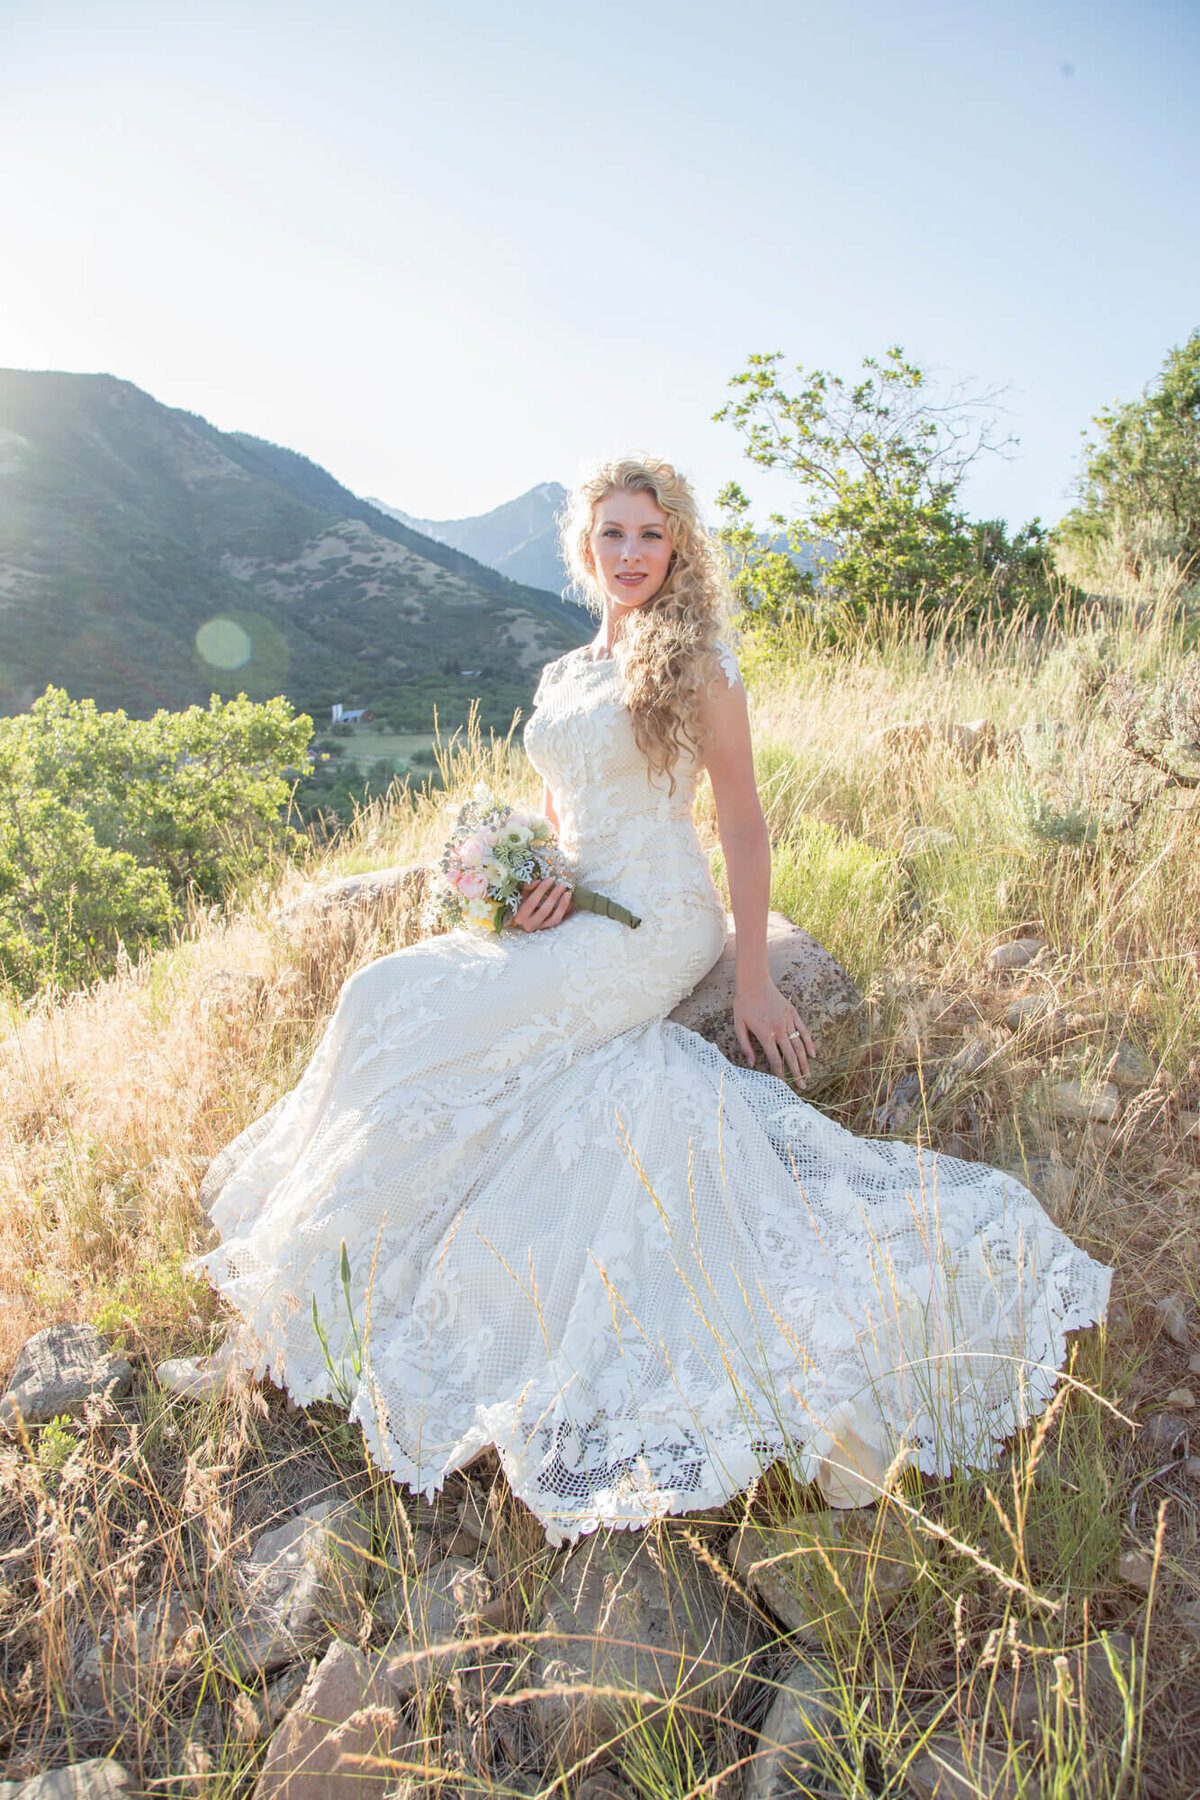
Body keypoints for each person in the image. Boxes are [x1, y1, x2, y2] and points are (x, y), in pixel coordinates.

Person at [198, 456, 1111, 1546]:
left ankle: (333, 1292)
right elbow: (557, 829)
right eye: (612, 534)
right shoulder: (562, 673)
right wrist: (529, 890)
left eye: (651, 536)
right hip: (576, 912)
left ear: (676, 549)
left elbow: (741, 822)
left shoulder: (699, 661)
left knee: (439, 1027)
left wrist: (757, 976)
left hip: (660, 918)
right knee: (381, 989)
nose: (631, 554)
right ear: (585, 547)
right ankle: (320, 1280)